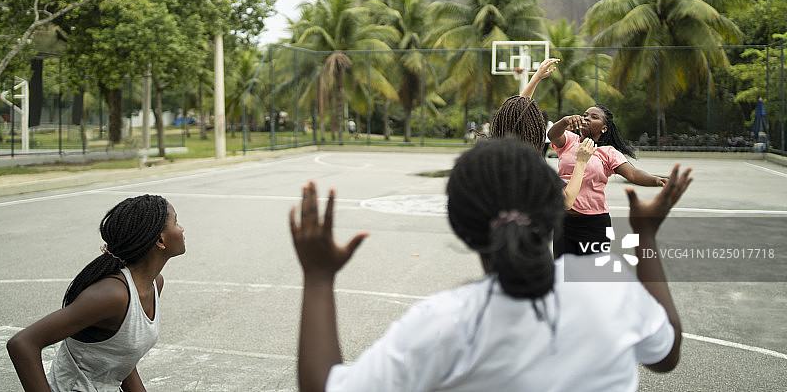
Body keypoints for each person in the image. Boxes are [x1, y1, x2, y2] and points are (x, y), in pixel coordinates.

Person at [290, 138, 692, 392]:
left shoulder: (444, 321)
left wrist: (319, 277)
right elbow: (666, 354)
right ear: (556, 210)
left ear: (462, 227)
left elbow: (324, 387)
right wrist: (647, 238)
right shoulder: (607, 287)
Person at [7, 195, 185, 391]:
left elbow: (121, 355)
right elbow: (22, 343)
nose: (182, 228)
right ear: (160, 240)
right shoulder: (113, 295)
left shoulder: (154, 284)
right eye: (176, 222)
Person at [548, 103, 666, 257]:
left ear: (604, 128)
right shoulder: (570, 141)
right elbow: (552, 135)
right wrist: (565, 121)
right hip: (564, 221)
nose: (587, 118)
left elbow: (633, 174)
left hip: (594, 224)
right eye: (585, 115)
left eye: (594, 117)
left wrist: (657, 181)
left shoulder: (608, 152)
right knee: (565, 274)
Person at [490, 58, 594, 210]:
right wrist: (581, 162)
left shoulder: (493, 158)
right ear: (539, 131)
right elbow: (565, 202)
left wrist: (536, 78)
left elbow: (516, 114)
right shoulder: (532, 167)